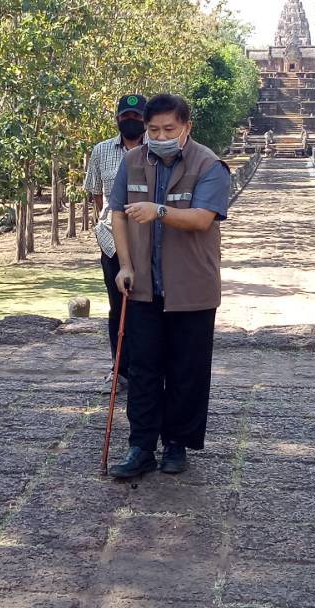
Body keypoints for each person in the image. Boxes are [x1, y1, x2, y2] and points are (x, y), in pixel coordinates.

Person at [106, 93, 232, 479]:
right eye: (153, 129)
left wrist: (160, 211)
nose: (159, 136)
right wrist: (125, 265)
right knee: (142, 368)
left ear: (186, 128)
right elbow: (118, 214)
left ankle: (177, 444)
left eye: (168, 129)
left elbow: (201, 219)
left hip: (191, 288)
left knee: (186, 370)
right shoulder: (132, 162)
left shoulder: (209, 164)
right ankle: (141, 445)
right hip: (143, 285)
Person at [82, 94, 148, 378]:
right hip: (111, 241)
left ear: (145, 119)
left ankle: (147, 369)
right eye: (126, 116)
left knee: (146, 308)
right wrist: (111, 221)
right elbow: (97, 194)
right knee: (116, 308)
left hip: (148, 241)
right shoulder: (101, 151)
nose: (130, 120)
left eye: (136, 116)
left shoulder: (156, 149)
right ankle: (120, 369)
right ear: (117, 118)